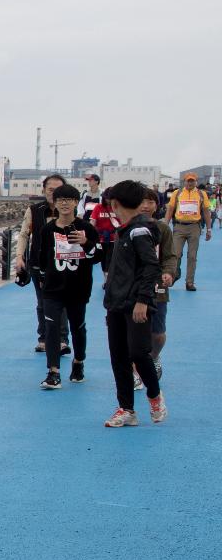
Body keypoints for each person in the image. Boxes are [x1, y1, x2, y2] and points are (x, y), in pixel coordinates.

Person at [102, 181, 167, 427]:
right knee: (118, 357)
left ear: (115, 203)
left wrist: (142, 300)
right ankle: (126, 409)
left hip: (136, 304)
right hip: (116, 303)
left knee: (139, 353)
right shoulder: (125, 230)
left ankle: (154, 395)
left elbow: (152, 267)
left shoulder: (140, 231)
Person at [33, 184, 98, 389]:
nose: (64, 203)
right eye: (60, 199)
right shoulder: (47, 229)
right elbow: (42, 256)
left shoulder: (86, 228)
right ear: (55, 202)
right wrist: (41, 276)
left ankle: (78, 362)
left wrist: (86, 242)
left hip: (78, 287)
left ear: (76, 202)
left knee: (78, 327)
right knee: (52, 327)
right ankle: (53, 372)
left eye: (69, 199)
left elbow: (98, 256)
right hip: (53, 288)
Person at [15, 174, 70, 353]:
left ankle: (62, 339)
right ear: (44, 190)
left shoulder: (71, 211)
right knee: (42, 302)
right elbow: (24, 235)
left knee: (61, 302)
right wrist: (19, 257)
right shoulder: (34, 210)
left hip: (63, 265)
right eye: (50, 190)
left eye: (58, 190)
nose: (54, 194)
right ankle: (44, 337)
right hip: (38, 263)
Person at [143, 187, 179, 378]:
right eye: (142, 202)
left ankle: (154, 357)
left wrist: (168, 272)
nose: (146, 206)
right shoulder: (125, 228)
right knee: (131, 331)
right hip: (132, 288)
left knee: (157, 332)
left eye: (151, 202)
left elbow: (170, 256)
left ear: (157, 205)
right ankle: (135, 367)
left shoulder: (163, 228)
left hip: (157, 287)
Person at [166, 172, 213, 290]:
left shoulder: (201, 194)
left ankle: (190, 282)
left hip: (194, 227)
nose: (190, 183)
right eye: (188, 180)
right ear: (185, 181)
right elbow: (170, 209)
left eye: (193, 181)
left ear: (196, 182)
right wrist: (165, 225)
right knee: (175, 254)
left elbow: (206, 212)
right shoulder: (177, 193)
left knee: (192, 256)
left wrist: (209, 229)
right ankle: (174, 275)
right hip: (179, 227)